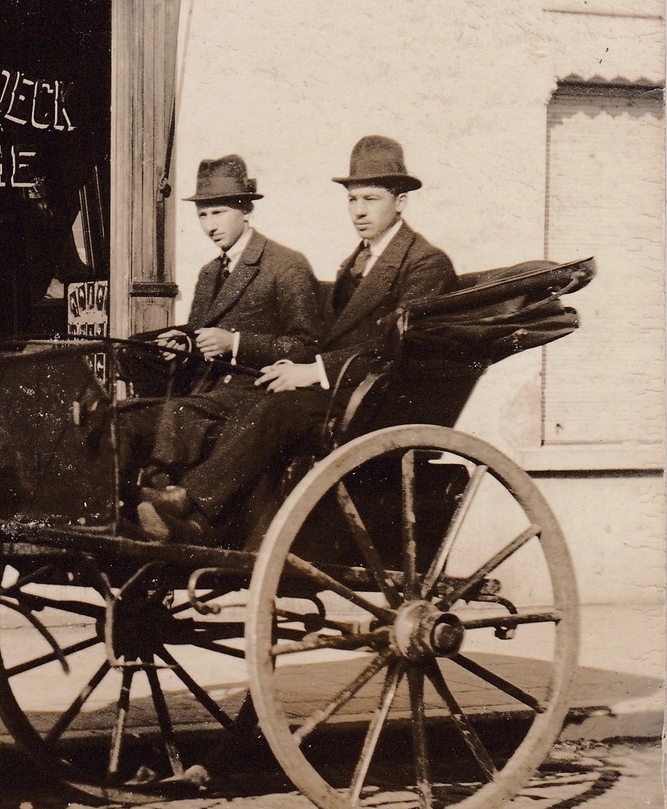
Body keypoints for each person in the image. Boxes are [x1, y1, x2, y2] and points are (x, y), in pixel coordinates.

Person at [138, 135, 457, 542]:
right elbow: (333, 336)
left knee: (277, 411)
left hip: (373, 399)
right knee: (259, 402)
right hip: (341, 386)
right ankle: (202, 523)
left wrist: (313, 371)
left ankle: (188, 501)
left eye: (371, 199)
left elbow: (397, 346)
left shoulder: (425, 263)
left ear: (400, 201)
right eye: (352, 199)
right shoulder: (356, 261)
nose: (358, 211)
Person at [118, 154, 321, 479]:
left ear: (245, 209)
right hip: (203, 395)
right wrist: (184, 341)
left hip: (254, 398)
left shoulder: (286, 266)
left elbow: (306, 346)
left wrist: (236, 343)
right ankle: (129, 510)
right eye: (202, 215)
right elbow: (201, 333)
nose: (210, 226)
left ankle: (165, 499)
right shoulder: (209, 272)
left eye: (219, 212)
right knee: (124, 417)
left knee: (173, 418)